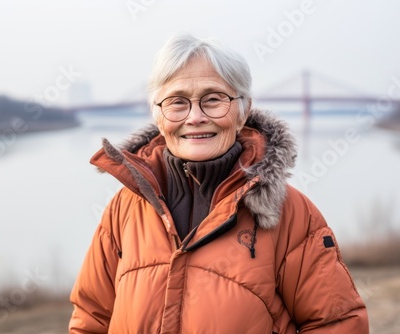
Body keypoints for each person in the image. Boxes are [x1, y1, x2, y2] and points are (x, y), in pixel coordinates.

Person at [69, 33, 369, 333]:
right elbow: (90, 319)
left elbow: (337, 324)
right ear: (158, 115)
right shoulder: (125, 208)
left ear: (243, 111)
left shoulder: (291, 214)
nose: (196, 117)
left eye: (213, 99)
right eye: (177, 102)